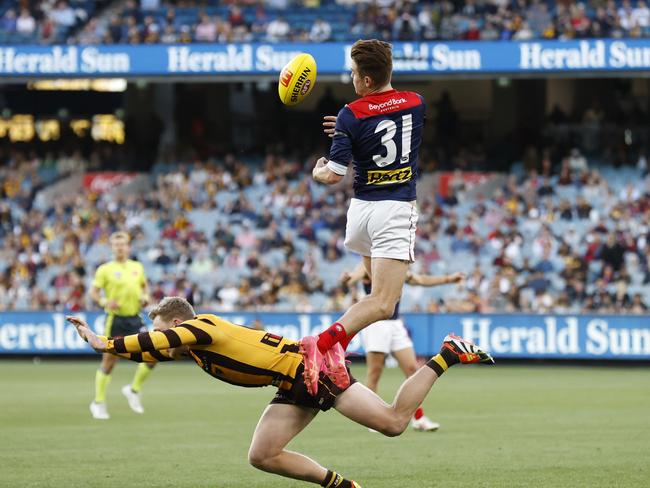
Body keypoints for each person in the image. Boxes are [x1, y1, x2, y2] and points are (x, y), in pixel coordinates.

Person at [66, 296, 494, 487]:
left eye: (160, 329)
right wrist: (113, 349)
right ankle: (340, 486)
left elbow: (152, 344)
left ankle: (447, 355)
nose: (158, 337)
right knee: (262, 455)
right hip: (291, 379)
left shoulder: (201, 327)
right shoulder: (193, 346)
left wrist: (106, 343)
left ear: (178, 324)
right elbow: (151, 354)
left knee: (393, 423)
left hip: (313, 369)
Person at [304, 39, 427, 395]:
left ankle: (332, 345)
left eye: (355, 73)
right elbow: (392, 126)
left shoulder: (349, 114)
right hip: (394, 208)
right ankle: (324, 345)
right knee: (385, 304)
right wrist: (354, 130)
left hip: (360, 213)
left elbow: (333, 175)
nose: (352, 78)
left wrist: (319, 168)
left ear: (367, 80)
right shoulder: (417, 103)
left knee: (374, 291)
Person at [341, 263, 465, 432]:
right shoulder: (370, 264)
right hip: (376, 324)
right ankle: (373, 420)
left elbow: (420, 280)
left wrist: (448, 279)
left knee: (413, 369)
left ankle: (418, 418)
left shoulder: (397, 266)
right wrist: (349, 278)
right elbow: (355, 275)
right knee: (375, 372)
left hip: (396, 324)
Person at [88, 231, 152, 420]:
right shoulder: (105, 269)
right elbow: (93, 292)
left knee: (153, 354)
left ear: (128, 246)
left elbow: (144, 287)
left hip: (135, 318)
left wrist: (146, 297)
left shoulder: (137, 267)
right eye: (116, 245)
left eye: (123, 244)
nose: (120, 247)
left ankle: (133, 390)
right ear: (112, 248)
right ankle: (98, 402)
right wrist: (104, 302)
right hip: (116, 320)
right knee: (109, 361)